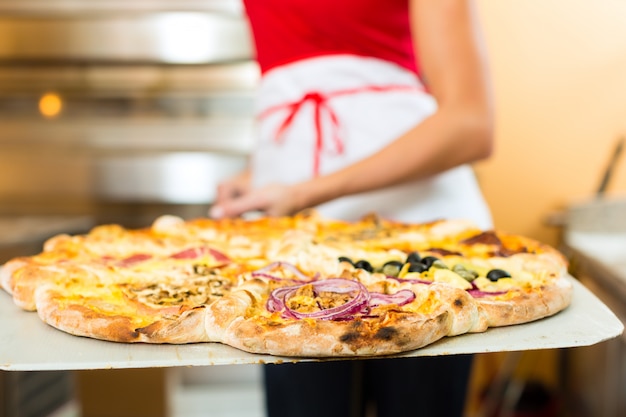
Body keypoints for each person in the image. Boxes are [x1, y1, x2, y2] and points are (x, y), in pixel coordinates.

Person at [210, 0, 494, 416]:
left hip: (420, 246)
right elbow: (313, 90)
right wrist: (261, 174)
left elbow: (471, 125)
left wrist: (307, 192)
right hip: (296, 258)